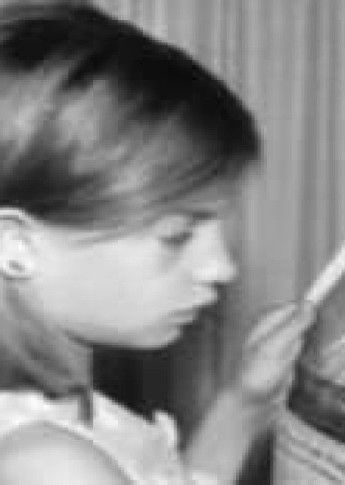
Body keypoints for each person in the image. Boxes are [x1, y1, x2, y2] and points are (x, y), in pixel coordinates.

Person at [0, 3, 313, 484]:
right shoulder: (50, 466)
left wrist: (244, 402)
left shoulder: (59, 418)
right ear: (14, 244)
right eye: (176, 235)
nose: (221, 267)